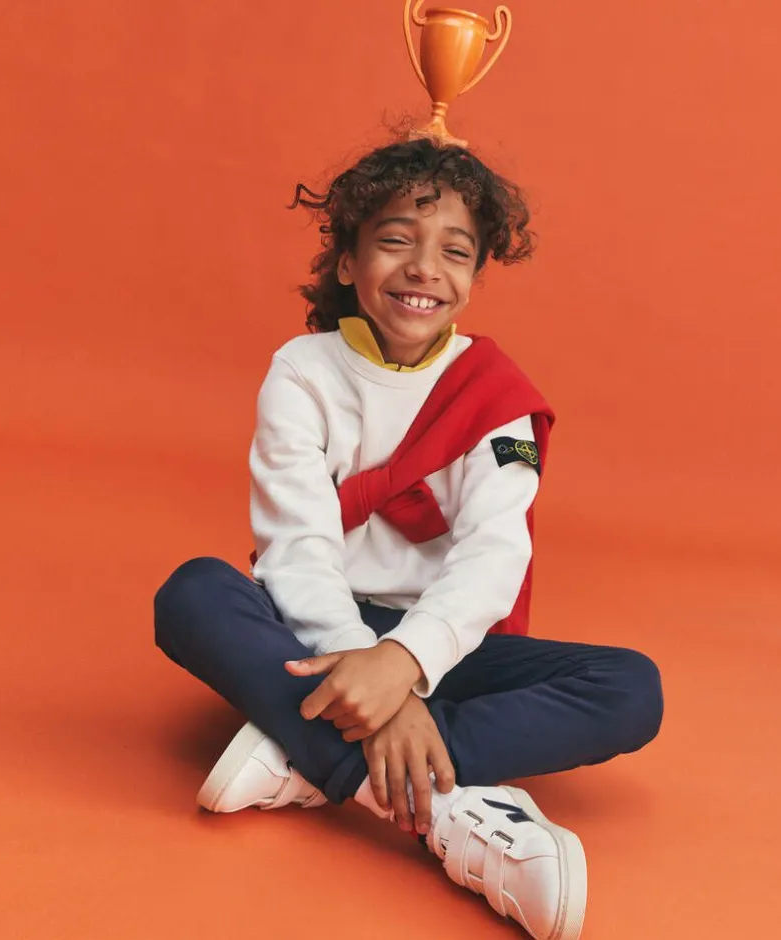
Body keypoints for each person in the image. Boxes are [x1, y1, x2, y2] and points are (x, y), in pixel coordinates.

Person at [153, 138, 663, 940]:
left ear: (475, 275)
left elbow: (494, 556)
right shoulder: (302, 371)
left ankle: (312, 758)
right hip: (317, 629)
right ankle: (450, 809)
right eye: (395, 239)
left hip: (438, 646)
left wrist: (403, 668)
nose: (424, 267)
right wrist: (370, 679)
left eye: (454, 251)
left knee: (631, 688)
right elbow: (296, 544)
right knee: (192, 594)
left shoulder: (500, 401)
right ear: (348, 261)